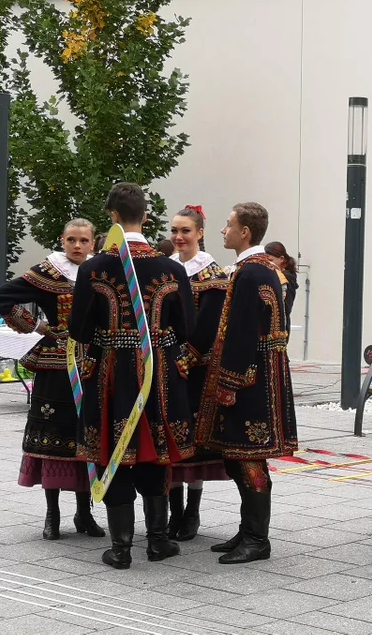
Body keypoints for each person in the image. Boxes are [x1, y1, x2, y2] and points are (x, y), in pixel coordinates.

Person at [69, 183, 197, 569]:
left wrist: (110, 338)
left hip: (110, 373)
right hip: (158, 373)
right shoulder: (171, 268)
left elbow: (78, 328)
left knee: (114, 450)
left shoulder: (94, 267)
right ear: (145, 216)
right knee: (155, 452)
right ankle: (158, 542)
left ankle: (121, 548)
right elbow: (187, 327)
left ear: (111, 217)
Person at [0, 219, 105, 541]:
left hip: (92, 362)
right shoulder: (48, 272)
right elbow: (0, 297)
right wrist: (35, 325)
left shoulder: (100, 271)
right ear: (62, 241)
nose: (77, 246)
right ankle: (52, 514)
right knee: (51, 435)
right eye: (71, 239)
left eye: (83, 240)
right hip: (55, 365)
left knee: (87, 435)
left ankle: (85, 512)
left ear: (93, 243)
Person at [195, 202, 298, 565]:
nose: (223, 231)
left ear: (245, 233)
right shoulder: (258, 269)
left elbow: (240, 332)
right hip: (258, 375)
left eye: (228, 225)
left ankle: (257, 539)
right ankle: (247, 531)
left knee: (249, 458)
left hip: (251, 380)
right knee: (239, 457)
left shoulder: (252, 272)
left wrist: (229, 381)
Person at [167, 205, 229, 541]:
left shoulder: (212, 273)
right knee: (172, 436)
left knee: (195, 438)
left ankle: (191, 512)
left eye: (185, 231)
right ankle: (174, 510)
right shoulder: (167, 268)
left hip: (198, 366)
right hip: (167, 363)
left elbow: (210, 323)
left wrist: (186, 356)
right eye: (174, 231)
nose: (178, 237)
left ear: (200, 233)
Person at [264, 242, 298, 338]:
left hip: (280, 326)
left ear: (281, 259)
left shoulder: (287, 278)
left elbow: (286, 307)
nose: (269, 264)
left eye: (271, 260)